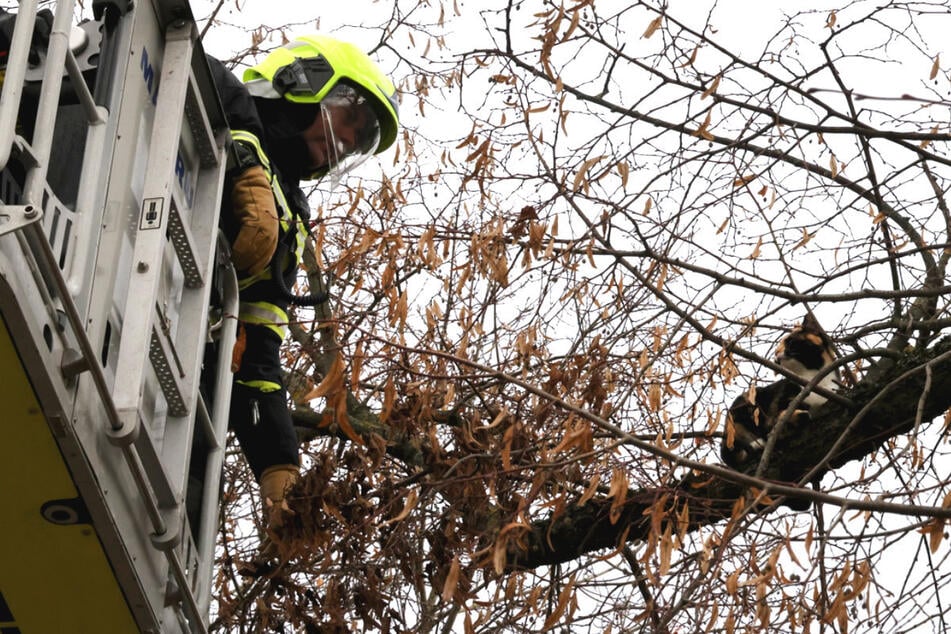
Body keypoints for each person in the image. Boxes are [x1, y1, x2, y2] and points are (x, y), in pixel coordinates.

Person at [206, 35, 399, 534]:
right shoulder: (219, 98)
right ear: (303, 81)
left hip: (167, 383)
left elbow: (259, 366)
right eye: (349, 120)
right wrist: (246, 156)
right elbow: (186, 52)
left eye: (360, 141)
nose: (348, 142)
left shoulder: (291, 218)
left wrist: (281, 471)